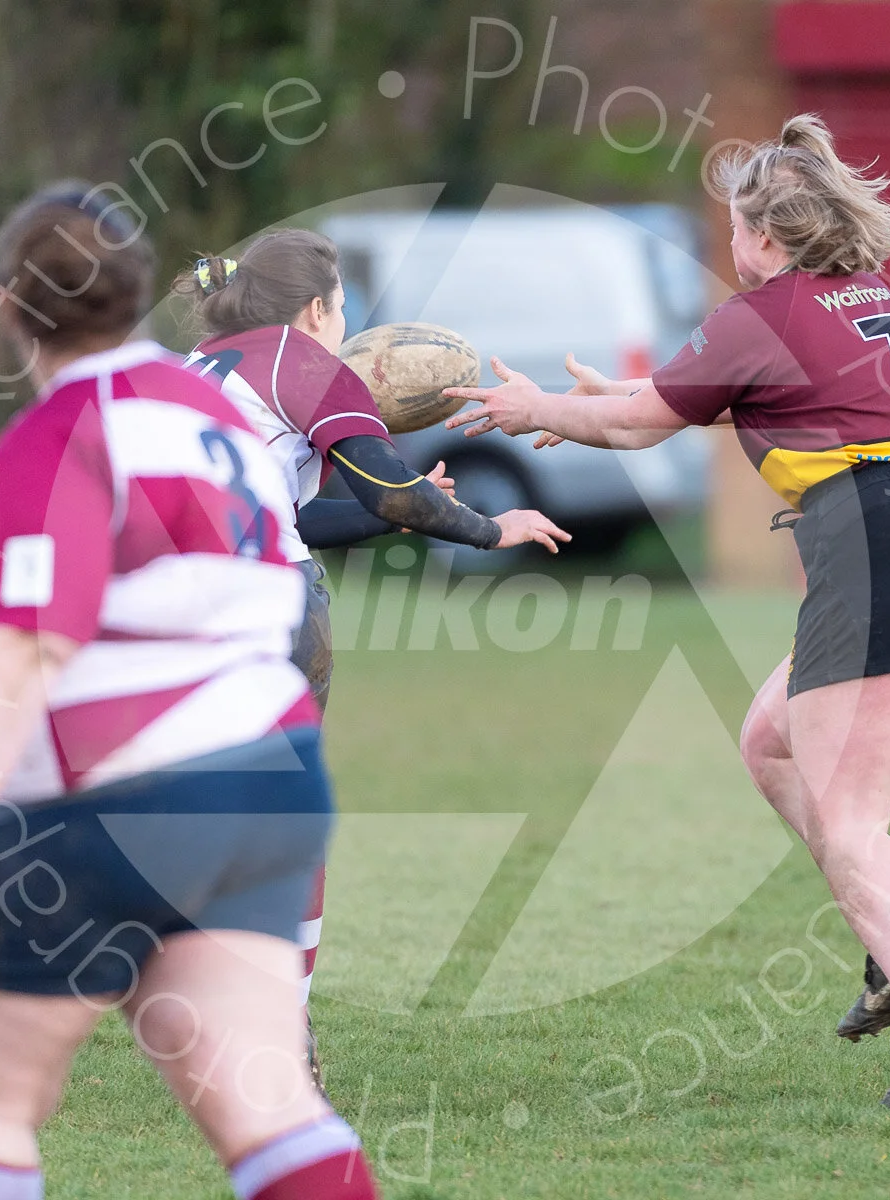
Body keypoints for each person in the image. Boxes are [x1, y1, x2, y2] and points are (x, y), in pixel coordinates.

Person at [444, 115, 890, 1110]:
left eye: (734, 228)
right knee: (772, 743)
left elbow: (640, 420)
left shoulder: (763, 312)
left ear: (764, 239)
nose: (727, 245)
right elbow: (673, 395)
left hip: (879, 544)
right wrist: (594, 397)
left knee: (848, 816)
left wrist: (536, 411)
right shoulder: (859, 292)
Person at [0, 183, 381, 1200]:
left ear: (6, 305)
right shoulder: (210, 408)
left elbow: (30, 642)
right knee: (271, 1111)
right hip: (268, 783)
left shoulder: (61, 432)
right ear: (129, 295)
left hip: (112, 796)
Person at [173, 229, 570, 1079]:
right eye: (342, 304)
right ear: (318, 309)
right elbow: (388, 488)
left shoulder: (198, 366)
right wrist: (486, 526)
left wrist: (407, 503)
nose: (346, 321)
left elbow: (289, 510)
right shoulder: (305, 362)